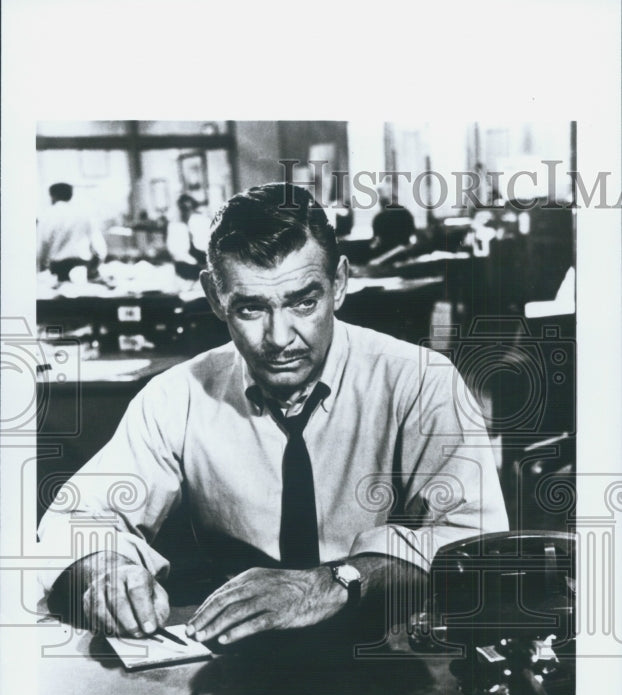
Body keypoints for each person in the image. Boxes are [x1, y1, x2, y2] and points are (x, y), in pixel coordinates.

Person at [38, 183, 508, 647]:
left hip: (388, 649)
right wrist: (106, 571)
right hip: (237, 659)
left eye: (304, 301)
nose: (280, 337)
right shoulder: (177, 397)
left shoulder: (420, 381)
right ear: (214, 296)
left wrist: (335, 582)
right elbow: (75, 519)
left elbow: (476, 544)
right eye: (250, 308)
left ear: (339, 283)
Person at [37, 182, 107, 281]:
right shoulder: (84, 213)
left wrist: (42, 268)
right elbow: (100, 247)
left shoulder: (47, 216)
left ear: (53, 196)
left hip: (58, 268)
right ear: (71, 195)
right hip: (83, 266)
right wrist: (95, 267)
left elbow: (42, 246)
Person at [167, 193, 211, 280]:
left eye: (189, 209)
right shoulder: (174, 227)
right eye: (183, 209)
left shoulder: (200, 222)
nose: (186, 212)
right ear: (179, 209)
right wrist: (198, 265)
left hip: (203, 263)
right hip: (186, 268)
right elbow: (177, 253)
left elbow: (207, 245)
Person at [369, 184, 416, 256]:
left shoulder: (379, 218)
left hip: (386, 253)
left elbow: (376, 239)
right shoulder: (405, 213)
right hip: (405, 251)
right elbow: (413, 231)